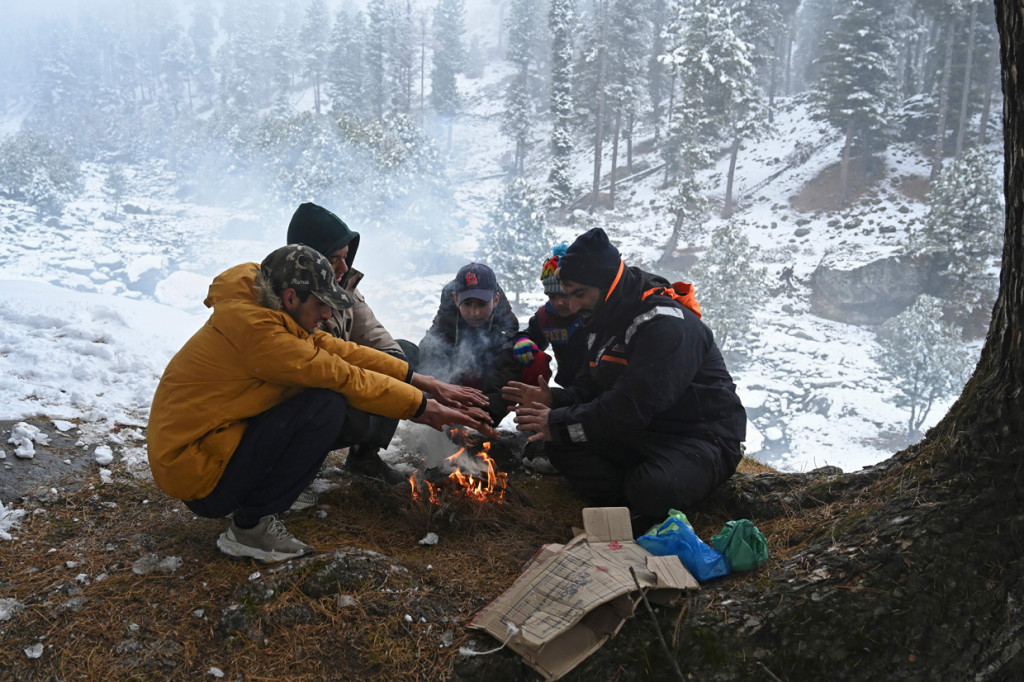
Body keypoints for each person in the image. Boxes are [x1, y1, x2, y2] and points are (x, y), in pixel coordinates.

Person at [147, 244, 495, 562]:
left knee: (321, 400)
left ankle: (255, 502)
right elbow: (343, 375)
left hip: (211, 446)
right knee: (323, 405)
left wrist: (421, 381)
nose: (328, 314)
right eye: (321, 305)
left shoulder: (263, 312)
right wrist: (425, 408)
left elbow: (339, 350)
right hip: (198, 472)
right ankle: (251, 526)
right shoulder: (262, 336)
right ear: (290, 298)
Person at [506, 228, 746, 536]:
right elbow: (591, 386)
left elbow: (630, 406)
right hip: (643, 431)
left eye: (579, 294)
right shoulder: (602, 318)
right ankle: (631, 501)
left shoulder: (664, 324)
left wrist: (559, 422)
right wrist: (554, 400)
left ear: (606, 283)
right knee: (559, 445)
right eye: (568, 295)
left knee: (654, 487)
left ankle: (641, 496)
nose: (574, 306)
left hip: (699, 436)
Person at [286, 202, 413, 483]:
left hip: (341, 382)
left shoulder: (346, 287)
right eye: (334, 259)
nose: (344, 266)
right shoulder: (292, 301)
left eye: (346, 256)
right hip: (306, 404)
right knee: (332, 402)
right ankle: (291, 469)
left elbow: (373, 334)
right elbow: (321, 370)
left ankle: (364, 457)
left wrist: (399, 366)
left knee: (405, 356)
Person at [417, 262, 535, 427]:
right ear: (456, 299)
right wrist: (440, 396)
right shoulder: (447, 316)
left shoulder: (506, 323)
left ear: (495, 299)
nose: (475, 312)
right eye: (467, 304)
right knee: (408, 352)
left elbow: (505, 372)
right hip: (456, 384)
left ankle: (533, 424)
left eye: (482, 304)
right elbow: (430, 351)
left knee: (536, 359)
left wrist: (486, 414)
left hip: (486, 384)